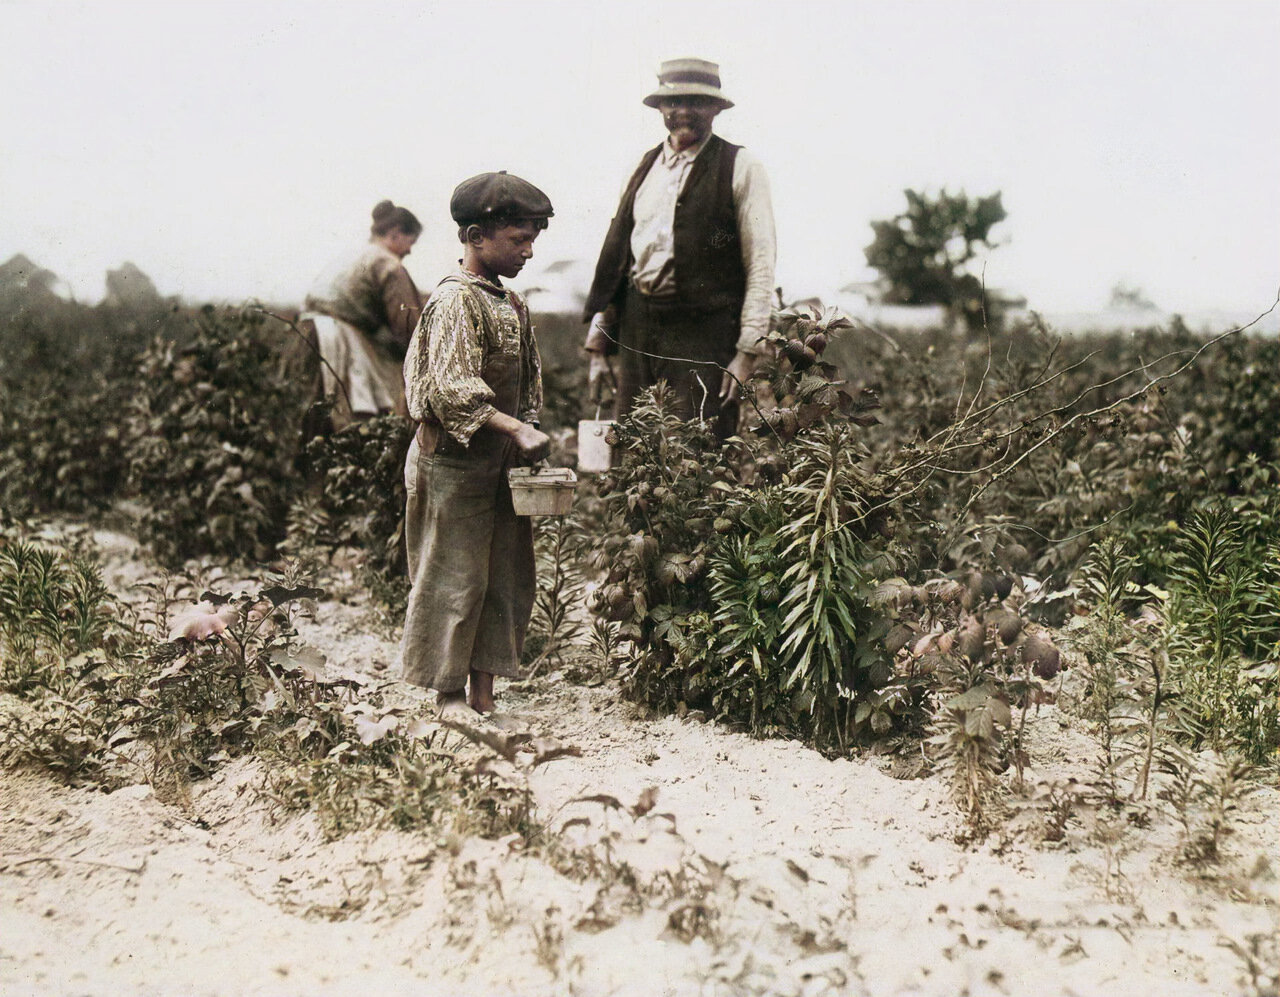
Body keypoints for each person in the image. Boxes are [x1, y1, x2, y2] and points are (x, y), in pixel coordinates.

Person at [399, 172, 553, 718]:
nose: (529, 251)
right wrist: (514, 428)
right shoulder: (454, 302)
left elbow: (528, 381)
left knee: (503, 577)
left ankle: (484, 693)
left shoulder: (510, 303)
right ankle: (446, 696)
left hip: (498, 465)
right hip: (453, 463)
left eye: (534, 238)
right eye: (518, 240)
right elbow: (450, 387)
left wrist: (527, 431)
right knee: (453, 577)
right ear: (474, 236)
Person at [582, 57, 776, 437]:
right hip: (639, 326)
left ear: (716, 108)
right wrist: (599, 345)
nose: (683, 112)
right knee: (632, 448)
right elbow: (620, 258)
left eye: (696, 102)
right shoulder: (643, 167)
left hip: (702, 330)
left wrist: (745, 354)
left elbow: (761, 262)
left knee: (698, 449)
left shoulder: (741, 166)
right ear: (660, 108)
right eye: (673, 103)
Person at [300, 199, 424, 430]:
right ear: (396, 234)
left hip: (308, 332)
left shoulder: (354, 254)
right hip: (337, 339)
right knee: (348, 416)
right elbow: (407, 325)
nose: (409, 250)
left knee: (310, 413)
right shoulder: (387, 263)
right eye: (410, 242)